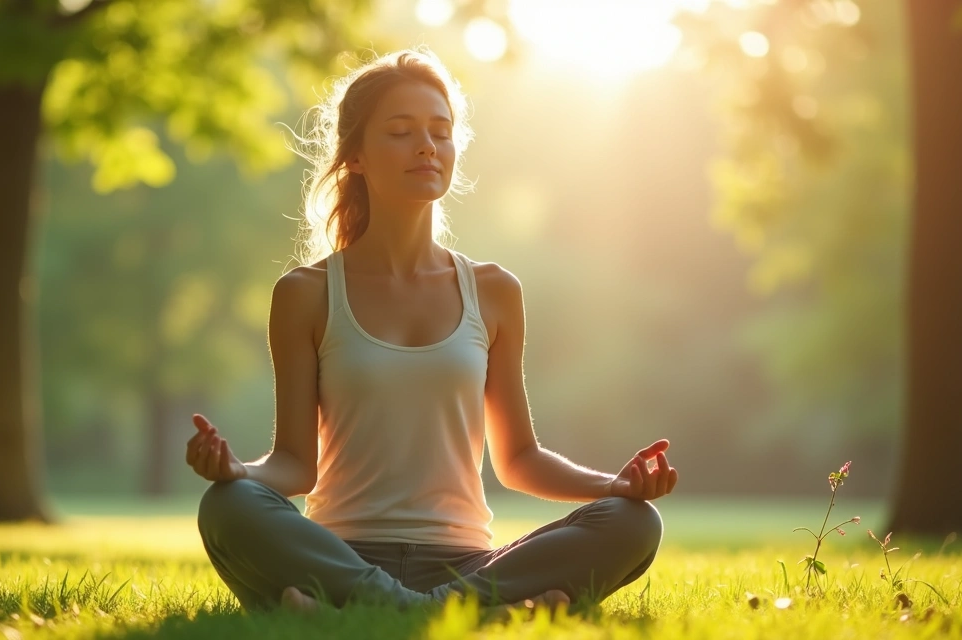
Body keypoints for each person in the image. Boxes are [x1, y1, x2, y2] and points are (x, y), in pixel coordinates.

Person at [186, 47, 678, 614]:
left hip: (465, 561)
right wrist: (236, 471)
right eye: (400, 131)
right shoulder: (306, 293)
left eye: (440, 132)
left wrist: (615, 487)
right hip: (341, 554)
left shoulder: (493, 291)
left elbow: (519, 459)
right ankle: (463, 617)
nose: (426, 145)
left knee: (632, 522)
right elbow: (295, 465)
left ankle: (363, 613)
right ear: (357, 158)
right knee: (227, 506)